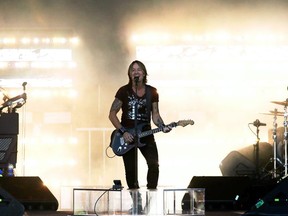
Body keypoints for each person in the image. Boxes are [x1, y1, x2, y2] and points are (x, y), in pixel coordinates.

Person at [108, 60, 172, 213]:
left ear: (144, 73)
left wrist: (162, 126)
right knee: (130, 171)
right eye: (133, 70)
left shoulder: (153, 91)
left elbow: (155, 115)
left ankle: (150, 200)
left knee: (154, 164)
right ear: (130, 74)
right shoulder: (123, 91)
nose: (136, 72)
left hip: (146, 133)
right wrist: (124, 132)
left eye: (139, 69)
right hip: (127, 134)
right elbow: (111, 114)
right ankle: (137, 204)